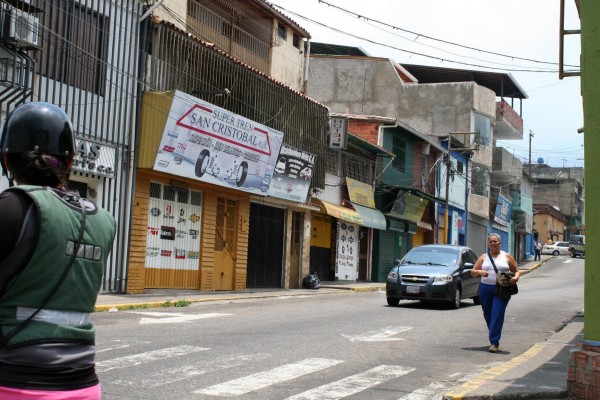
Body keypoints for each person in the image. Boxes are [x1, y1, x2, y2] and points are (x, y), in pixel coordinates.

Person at [0, 102, 116, 399]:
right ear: (69, 162)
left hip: (14, 380)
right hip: (84, 385)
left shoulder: (12, 208)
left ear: (6, 161)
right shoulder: (104, 222)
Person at [471, 233, 520, 353]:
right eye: (491, 242)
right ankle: (493, 333)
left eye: (495, 241)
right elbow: (473, 271)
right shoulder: (483, 257)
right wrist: (481, 272)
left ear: (500, 243)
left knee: (497, 313)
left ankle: (494, 342)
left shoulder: (507, 256)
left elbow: (517, 271)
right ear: (488, 244)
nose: (493, 243)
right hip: (485, 289)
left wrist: (515, 278)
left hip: (502, 289)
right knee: (488, 314)